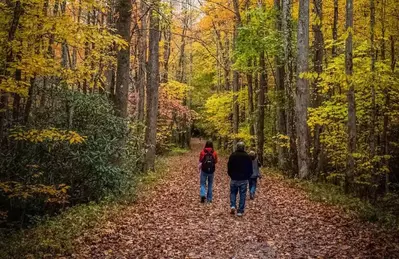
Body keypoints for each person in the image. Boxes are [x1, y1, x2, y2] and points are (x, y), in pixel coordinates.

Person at [227, 142, 253, 217]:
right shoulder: (247, 157)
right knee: (242, 195)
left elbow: (229, 167)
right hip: (244, 179)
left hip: (234, 178)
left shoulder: (233, 155)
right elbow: (250, 169)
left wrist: (231, 175)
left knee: (233, 193)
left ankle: (232, 205)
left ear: (237, 147)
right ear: (243, 147)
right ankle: (240, 211)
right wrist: (248, 176)